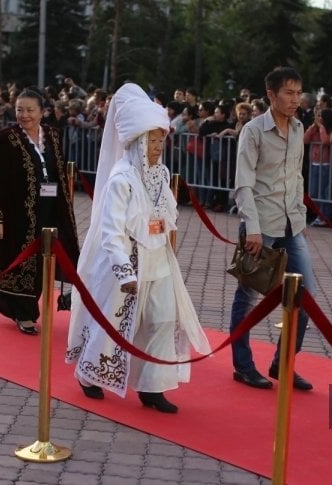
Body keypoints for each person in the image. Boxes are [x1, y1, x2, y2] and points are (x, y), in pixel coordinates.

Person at [66, 83, 211, 413]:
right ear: (136, 141)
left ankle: (152, 386)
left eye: (161, 139)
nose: (158, 147)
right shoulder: (121, 178)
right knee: (113, 323)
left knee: (161, 319)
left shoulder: (160, 174)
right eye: (153, 140)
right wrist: (122, 270)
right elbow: (111, 230)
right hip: (128, 262)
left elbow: (166, 215)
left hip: (158, 258)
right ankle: (90, 372)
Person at [229, 67, 316, 391]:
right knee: (248, 296)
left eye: (298, 92)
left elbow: (297, 176)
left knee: (306, 299)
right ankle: (243, 365)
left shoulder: (298, 128)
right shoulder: (253, 131)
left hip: (292, 225)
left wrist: (300, 215)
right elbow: (244, 183)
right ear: (271, 95)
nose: (296, 99)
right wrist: (251, 227)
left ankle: (283, 363)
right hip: (260, 225)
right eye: (289, 93)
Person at [0, 87, 80, 335]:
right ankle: (24, 312)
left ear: (42, 111)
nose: (24, 115)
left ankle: (55, 301)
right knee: (21, 262)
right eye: (19, 110)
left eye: (30, 110)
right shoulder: (7, 137)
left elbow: (58, 172)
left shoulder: (53, 135)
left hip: (51, 209)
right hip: (17, 215)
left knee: (48, 259)